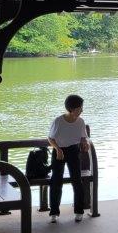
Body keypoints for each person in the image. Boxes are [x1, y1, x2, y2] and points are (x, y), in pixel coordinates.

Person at [47, 94, 90, 223]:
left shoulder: (80, 121)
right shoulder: (59, 121)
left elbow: (83, 137)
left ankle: (79, 211)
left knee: (77, 180)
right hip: (59, 151)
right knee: (56, 181)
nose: (82, 110)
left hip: (73, 150)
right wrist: (58, 149)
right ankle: (54, 212)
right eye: (80, 108)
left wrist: (85, 143)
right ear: (72, 108)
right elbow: (50, 138)